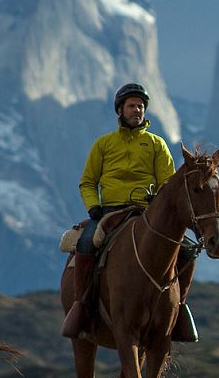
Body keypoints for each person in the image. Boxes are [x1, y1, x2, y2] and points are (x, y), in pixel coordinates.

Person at [61, 83, 193, 340]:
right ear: (120, 110)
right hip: (110, 212)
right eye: (132, 105)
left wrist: (156, 205)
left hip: (145, 212)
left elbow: (167, 184)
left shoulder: (157, 144)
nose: (137, 110)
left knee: (187, 251)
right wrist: (93, 206)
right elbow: (88, 181)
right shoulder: (104, 144)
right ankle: (82, 306)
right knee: (87, 243)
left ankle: (179, 309)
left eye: (141, 106)